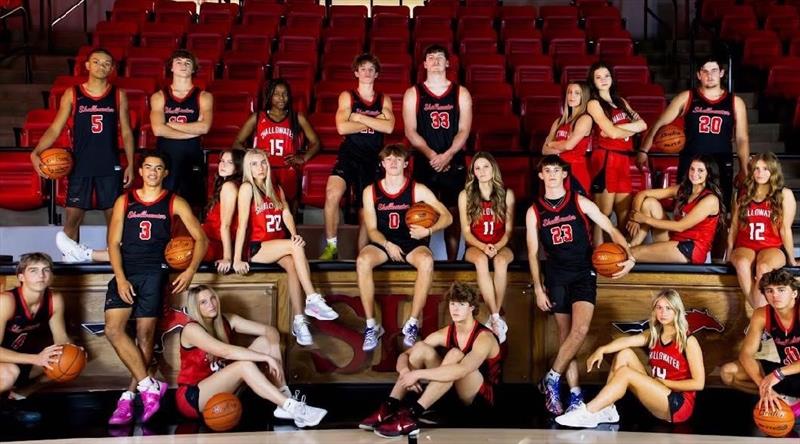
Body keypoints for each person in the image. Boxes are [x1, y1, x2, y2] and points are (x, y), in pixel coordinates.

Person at [105, 151, 208, 425]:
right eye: (148, 167)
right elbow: (113, 243)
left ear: (165, 173)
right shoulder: (124, 200)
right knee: (113, 330)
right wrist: (120, 277)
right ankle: (148, 385)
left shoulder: (174, 201)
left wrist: (189, 270)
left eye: (158, 168)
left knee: (145, 336)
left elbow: (201, 239)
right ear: (140, 171)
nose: (152, 171)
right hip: (126, 272)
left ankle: (129, 397)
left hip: (154, 272)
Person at [526, 155, 634, 416]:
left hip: (584, 272)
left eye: (556, 170)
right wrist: (538, 288)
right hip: (556, 276)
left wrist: (630, 255)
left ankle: (551, 378)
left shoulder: (579, 201)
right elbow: (532, 252)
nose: (552, 175)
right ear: (541, 175)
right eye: (547, 171)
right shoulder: (534, 211)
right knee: (566, 337)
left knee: (580, 329)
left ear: (565, 174)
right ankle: (575, 394)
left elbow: (610, 227)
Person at [358, 281, 502, 438]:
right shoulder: (447, 332)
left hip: (480, 402)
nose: (455, 309)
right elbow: (404, 356)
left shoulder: (484, 337)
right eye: (452, 304)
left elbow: (462, 370)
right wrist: (405, 372)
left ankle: (412, 415)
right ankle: (389, 405)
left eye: (461, 304)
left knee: (455, 355)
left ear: (472, 307)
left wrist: (417, 374)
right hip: (450, 395)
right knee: (421, 348)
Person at [33, 47, 134, 260]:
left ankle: (113, 263)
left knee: (114, 218)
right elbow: (55, 128)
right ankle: (69, 261)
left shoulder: (118, 95)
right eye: (96, 62)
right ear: (87, 65)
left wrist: (131, 164)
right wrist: (37, 151)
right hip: (80, 163)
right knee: (73, 217)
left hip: (109, 163)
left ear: (112, 69)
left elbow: (126, 131)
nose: (101, 66)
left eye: (106, 63)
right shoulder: (73, 93)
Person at [175, 285, 327, 428]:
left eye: (212, 298)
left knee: (266, 341)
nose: (211, 304)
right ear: (196, 307)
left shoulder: (227, 320)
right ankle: (292, 407)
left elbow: (270, 331)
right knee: (244, 365)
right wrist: (266, 358)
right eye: (203, 302)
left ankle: (283, 397)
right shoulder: (191, 329)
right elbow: (225, 351)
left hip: (223, 387)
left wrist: (272, 349)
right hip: (192, 397)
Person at [555, 289, 705, 427]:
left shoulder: (688, 341)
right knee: (624, 353)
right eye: (659, 308)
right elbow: (627, 341)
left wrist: (664, 383)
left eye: (668, 308)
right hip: (658, 392)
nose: (663, 312)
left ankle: (588, 411)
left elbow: (699, 384)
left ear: (677, 311)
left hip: (678, 405)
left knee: (625, 373)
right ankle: (607, 409)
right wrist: (602, 350)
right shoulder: (654, 334)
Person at [233, 150, 338, 346]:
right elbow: (242, 225)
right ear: (248, 168)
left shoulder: (276, 188)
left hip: (277, 244)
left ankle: (299, 320)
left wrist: (294, 234)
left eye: (263, 162)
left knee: (292, 264)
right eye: (254, 164)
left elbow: (286, 214)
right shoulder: (247, 188)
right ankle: (312, 298)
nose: (260, 167)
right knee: (293, 246)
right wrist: (237, 259)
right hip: (257, 247)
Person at [357, 144, 452, 351]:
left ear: (406, 164)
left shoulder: (417, 189)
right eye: (389, 159)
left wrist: (428, 231)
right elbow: (371, 229)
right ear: (382, 164)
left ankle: (412, 323)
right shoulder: (370, 191)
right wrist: (386, 244)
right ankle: (372, 325)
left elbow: (447, 217)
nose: (393, 162)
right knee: (363, 260)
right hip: (384, 242)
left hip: (412, 242)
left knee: (427, 261)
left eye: (398, 159)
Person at [638, 55, 750, 204]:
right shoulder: (687, 97)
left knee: (721, 209)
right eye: (705, 71)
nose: (710, 75)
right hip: (691, 163)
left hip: (720, 162)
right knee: (685, 205)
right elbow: (658, 123)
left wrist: (744, 168)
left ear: (722, 73)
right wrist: (643, 150)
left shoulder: (735, 102)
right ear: (698, 75)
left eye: (714, 70)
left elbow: (742, 139)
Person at [320, 53, 395, 259]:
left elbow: (389, 127)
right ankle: (331, 247)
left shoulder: (384, 99)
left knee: (366, 210)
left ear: (377, 74)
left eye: (371, 69)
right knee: (332, 194)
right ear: (356, 73)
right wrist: (375, 120)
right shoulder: (348, 96)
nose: (367, 72)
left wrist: (358, 117)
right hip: (350, 155)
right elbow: (342, 128)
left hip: (373, 158)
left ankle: (360, 255)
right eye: (363, 69)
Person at [403, 44, 472, 260]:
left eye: (440, 57)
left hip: (453, 159)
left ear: (447, 63)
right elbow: (410, 131)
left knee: (453, 212)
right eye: (431, 58)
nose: (435, 61)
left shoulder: (461, 93)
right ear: (424, 64)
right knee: (422, 212)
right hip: (425, 160)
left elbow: (464, 130)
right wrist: (432, 155)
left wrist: (448, 154)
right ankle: (422, 259)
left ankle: (453, 264)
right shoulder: (413, 93)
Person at [0, 253, 72, 424]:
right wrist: (36, 358)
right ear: (21, 277)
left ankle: (15, 399)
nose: (41, 275)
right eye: (33, 270)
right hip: (6, 362)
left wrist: (72, 350)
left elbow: (61, 338)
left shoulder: (54, 299)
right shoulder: (6, 301)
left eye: (45, 270)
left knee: (66, 362)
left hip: (20, 358)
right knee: (10, 373)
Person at [720, 268, 800, 417]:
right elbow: (746, 354)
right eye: (769, 291)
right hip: (785, 370)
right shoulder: (762, 314)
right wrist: (763, 385)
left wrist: (778, 373)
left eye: (781, 290)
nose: (775, 295)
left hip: (788, 371)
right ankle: (779, 398)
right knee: (728, 372)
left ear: (794, 293)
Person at [233, 78, 320, 212]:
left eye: (285, 94)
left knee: (288, 209)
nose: (281, 97)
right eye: (276, 94)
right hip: (264, 170)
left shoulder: (297, 117)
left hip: (288, 170)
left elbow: (316, 142)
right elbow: (237, 143)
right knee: (265, 209)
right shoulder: (258, 117)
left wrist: (304, 158)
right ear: (269, 96)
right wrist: (254, 154)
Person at [585, 62, 647, 245]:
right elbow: (611, 133)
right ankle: (597, 254)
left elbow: (643, 124)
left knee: (624, 213)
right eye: (598, 77)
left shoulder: (621, 101)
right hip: (606, 158)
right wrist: (626, 129)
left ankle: (621, 251)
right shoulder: (594, 103)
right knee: (602, 213)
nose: (603, 80)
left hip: (624, 159)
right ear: (593, 81)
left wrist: (618, 129)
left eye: (606, 75)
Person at [457, 152, 514, 343]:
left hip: (501, 244)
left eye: (486, 167)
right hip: (476, 246)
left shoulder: (507, 194)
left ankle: (494, 316)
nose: (482, 171)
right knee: (481, 260)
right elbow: (466, 232)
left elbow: (508, 231)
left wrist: (496, 246)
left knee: (501, 261)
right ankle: (496, 316)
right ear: (473, 172)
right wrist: (484, 247)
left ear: (493, 169)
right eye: (477, 168)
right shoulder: (465, 195)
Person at [728, 153, 797, 309]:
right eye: (756, 169)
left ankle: (757, 313)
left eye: (765, 169)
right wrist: (729, 253)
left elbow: (785, 229)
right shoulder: (741, 194)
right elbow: (734, 226)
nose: (760, 173)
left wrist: (791, 259)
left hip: (772, 247)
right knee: (742, 263)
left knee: (763, 267)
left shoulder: (784, 194)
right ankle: (758, 310)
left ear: (773, 171)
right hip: (744, 246)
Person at [627, 155, 723, 264]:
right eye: (692, 169)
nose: (694, 173)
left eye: (700, 170)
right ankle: (633, 243)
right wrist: (635, 217)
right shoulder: (683, 190)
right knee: (649, 203)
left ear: (709, 174)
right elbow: (643, 194)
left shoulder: (711, 199)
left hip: (691, 247)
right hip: (674, 239)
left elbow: (680, 227)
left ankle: (631, 249)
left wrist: (644, 219)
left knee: (632, 253)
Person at [149, 49, 213, 210]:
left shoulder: (204, 96)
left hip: (192, 156)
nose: (183, 65)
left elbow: (205, 127)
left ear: (193, 69)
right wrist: (192, 131)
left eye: (188, 63)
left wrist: (169, 124)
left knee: (193, 207)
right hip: (166, 158)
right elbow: (158, 130)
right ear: (171, 67)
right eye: (178, 62)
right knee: (164, 205)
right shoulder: (159, 96)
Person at [542, 81, 593, 195]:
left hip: (576, 171)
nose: (572, 96)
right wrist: (562, 147)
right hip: (558, 171)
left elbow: (569, 145)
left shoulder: (585, 119)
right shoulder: (559, 121)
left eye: (577, 93)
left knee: (576, 205)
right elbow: (544, 150)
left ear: (584, 97)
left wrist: (552, 145)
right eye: (569, 92)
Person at [203, 150, 245, 274]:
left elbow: (226, 225)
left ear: (238, 167)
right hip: (212, 237)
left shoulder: (229, 187)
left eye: (230, 162)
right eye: (222, 161)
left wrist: (227, 258)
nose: (223, 165)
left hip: (217, 244)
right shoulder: (228, 184)